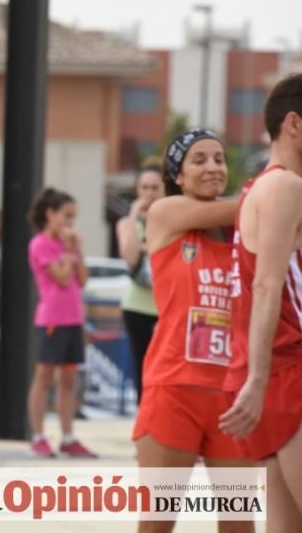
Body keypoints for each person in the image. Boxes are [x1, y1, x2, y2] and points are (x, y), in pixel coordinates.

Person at [132, 130, 251, 533]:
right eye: (199, 160)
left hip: (232, 399)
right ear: (177, 175)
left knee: (239, 523)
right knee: (158, 523)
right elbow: (255, 207)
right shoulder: (165, 213)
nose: (214, 167)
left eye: (219, 158)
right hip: (174, 389)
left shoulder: (245, 229)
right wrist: (277, 194)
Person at [221, 74, 302, 529]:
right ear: (293, 123)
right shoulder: (286, 187)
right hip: (285, 370)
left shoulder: (259, 188)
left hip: (271, 372)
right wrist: (257, 379)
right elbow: (267, 286)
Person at [26, 188, 97, 458]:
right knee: (44, 377)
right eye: (66, 216)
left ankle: (68, 437)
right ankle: (37, 436)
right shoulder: (41, 244)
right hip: (52, 319)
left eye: (73, 217)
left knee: (69, 379)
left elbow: (82, 278)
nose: (70, 223)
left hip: (73, 318)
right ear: (50, 214)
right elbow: (63, 278)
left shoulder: (69, 245)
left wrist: (77, 249)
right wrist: (68, 250)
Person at [116, 160, 165, 402]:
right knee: (141, 366)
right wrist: (134, 214)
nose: (148, 194)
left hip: (166, 305)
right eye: (143, 188)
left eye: (154, 188)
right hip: (138, 305)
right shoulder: (127, 224)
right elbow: (129, 255)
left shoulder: (172, 220)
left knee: (165, 367)